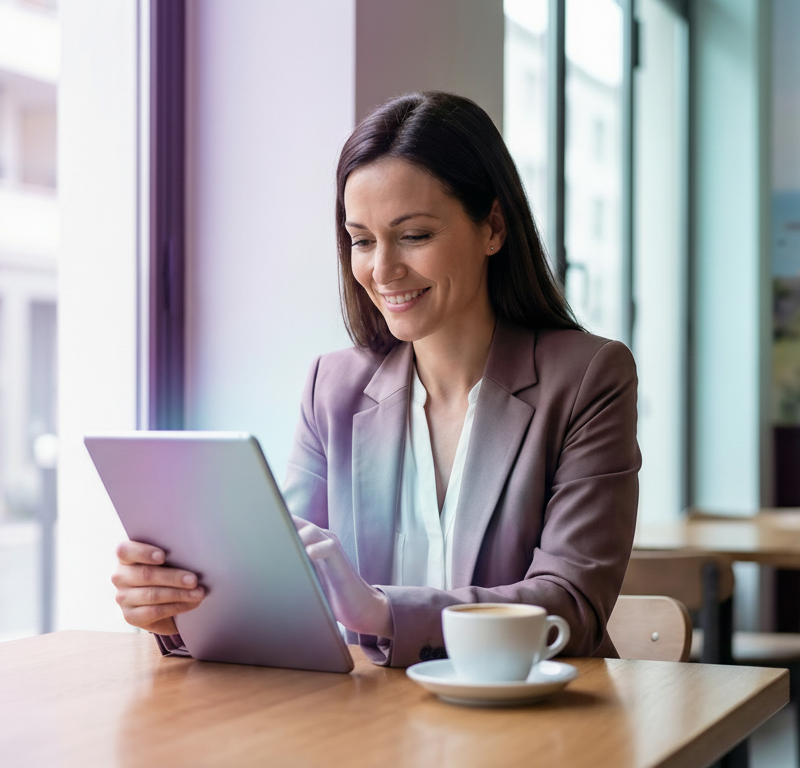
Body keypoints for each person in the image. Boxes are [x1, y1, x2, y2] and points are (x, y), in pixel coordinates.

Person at [112, 91, 640, 667]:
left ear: (492, 227)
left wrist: (381, 613)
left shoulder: (588, 378)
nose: (382, 270)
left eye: (414, 235)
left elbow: (572, 605)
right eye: (362, 240)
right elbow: (284, 580)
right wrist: (180, 610)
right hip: (375, 732)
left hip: (535, 731)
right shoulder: (332, 387)